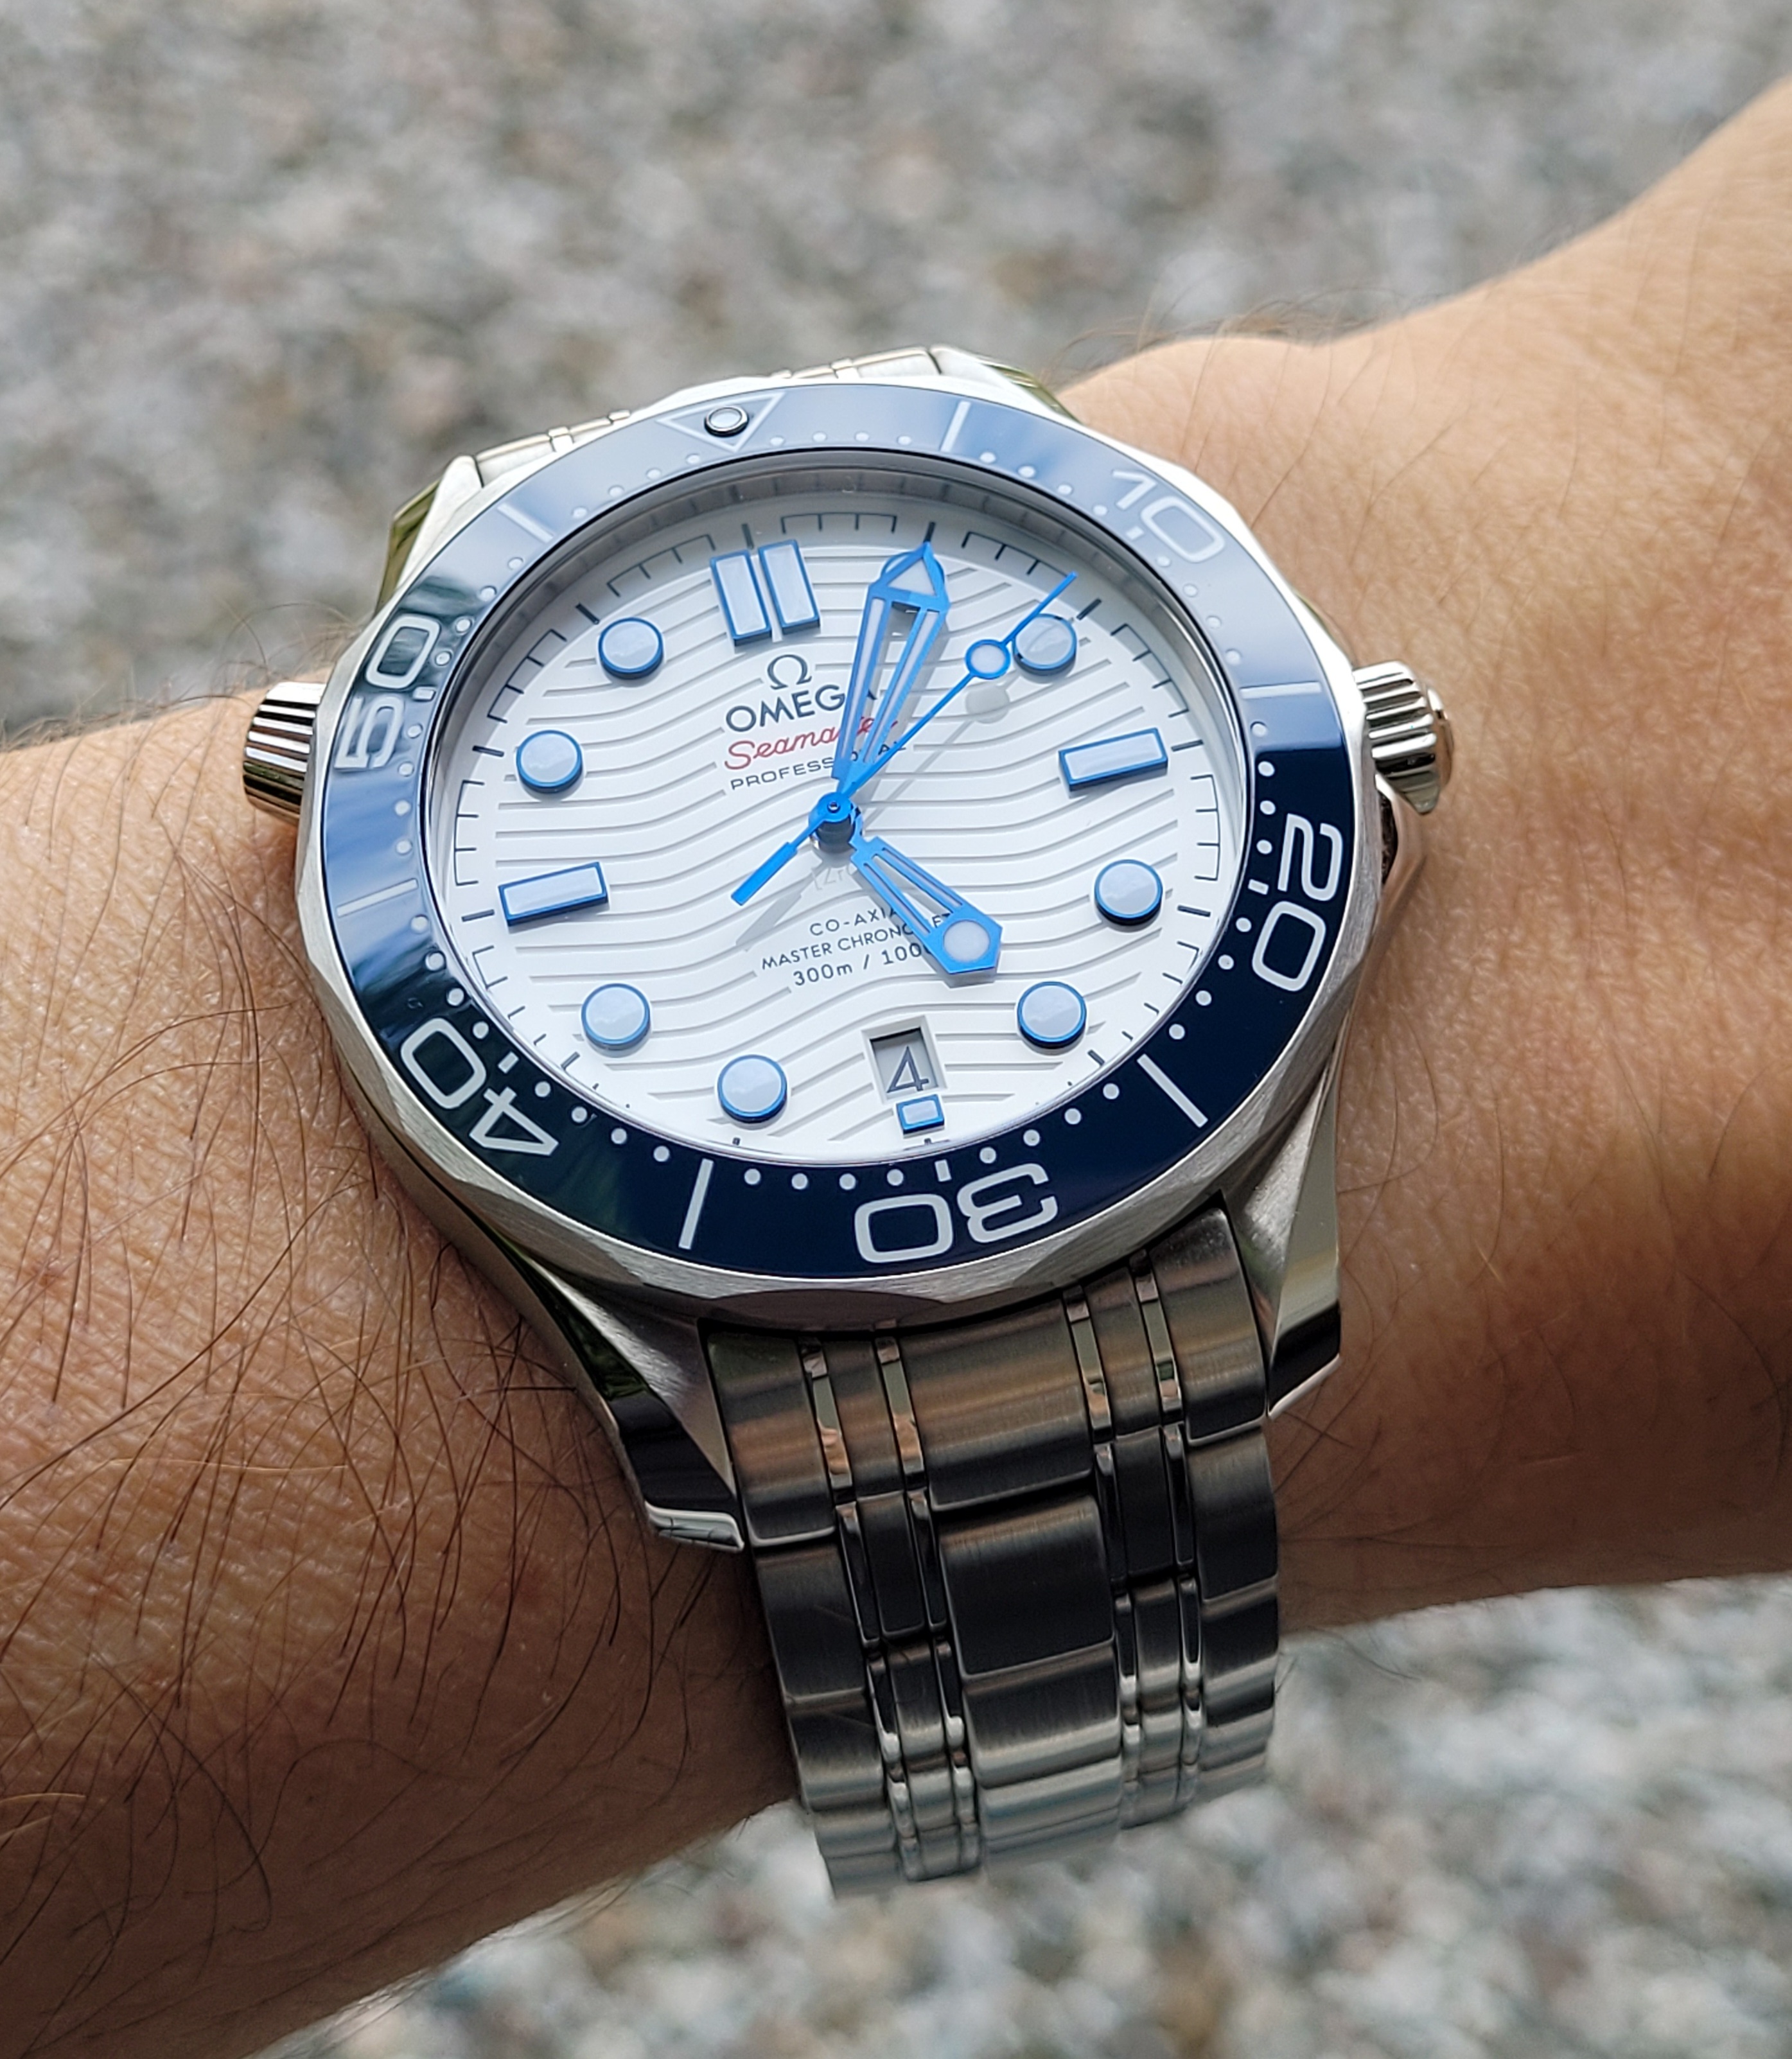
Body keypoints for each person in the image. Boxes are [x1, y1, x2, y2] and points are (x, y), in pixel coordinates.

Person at [3, 71, 1791, 2059]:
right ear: (326, 759)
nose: (834, 821)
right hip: (765, 1304)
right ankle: (1009, 1771)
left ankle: (1017, 1776)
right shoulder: (428, 827)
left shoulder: (1196, 706)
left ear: (1379, 746)